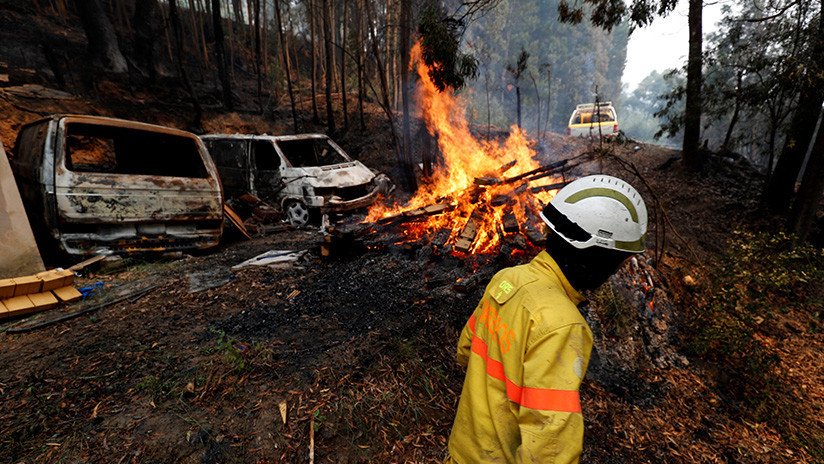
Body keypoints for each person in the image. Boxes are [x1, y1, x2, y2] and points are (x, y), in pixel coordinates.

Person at [447, 174, 648, 464]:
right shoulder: (563, 326)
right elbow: (548, 444)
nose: (614, 272)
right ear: (595, 258)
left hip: (461, 453)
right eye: (617, 261)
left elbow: (465, 352)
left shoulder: (507, 279)